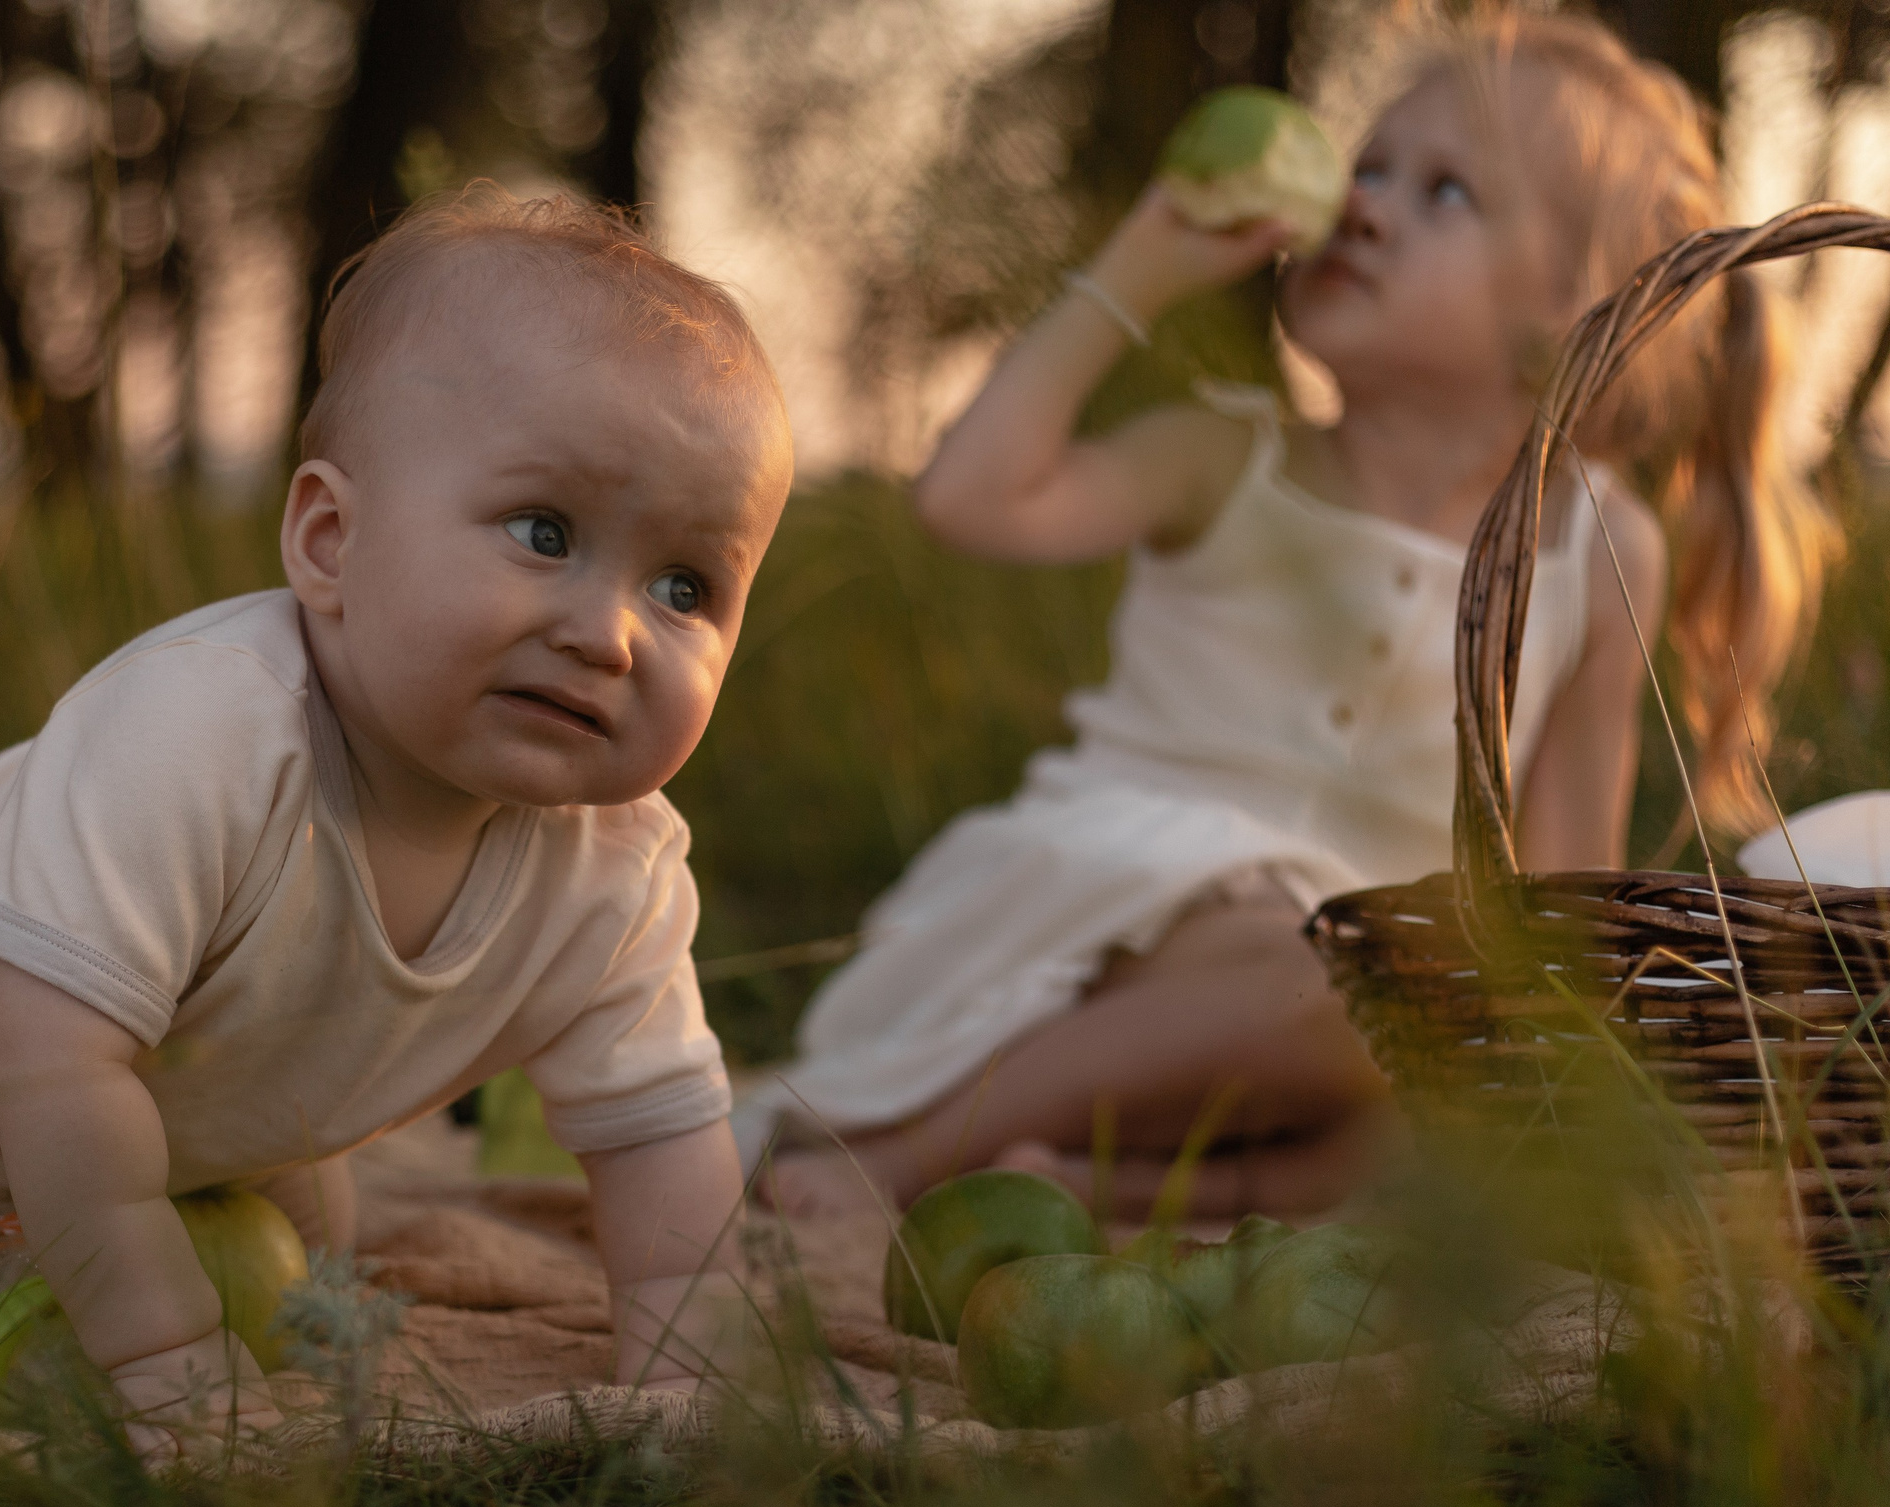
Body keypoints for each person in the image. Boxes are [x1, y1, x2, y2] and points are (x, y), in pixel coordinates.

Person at [0, 187, 795, 1448]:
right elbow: (50, 1052)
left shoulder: (621, 869)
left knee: (303, 1279)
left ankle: (10, 1255)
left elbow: (660, 1138)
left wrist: (690, 1380)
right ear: (329, 540)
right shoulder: (199, 733)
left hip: (179, 1101)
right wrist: (166, 1353)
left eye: (684, 586)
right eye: (543, 533)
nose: (607, 633)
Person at [754, 16, 1834, 1223]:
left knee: (1482, 1106)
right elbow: (966, 500)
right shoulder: (1223, 453)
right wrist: (1142, 266)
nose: (1364, 206)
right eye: (1367, 169)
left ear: (1565, 306)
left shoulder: (1597, 545)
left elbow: (1562, 881)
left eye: (1444, 191)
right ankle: (905, 1160)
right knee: (1339, 989)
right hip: (1117, 906)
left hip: (1367, 989)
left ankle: (1101, 1188)